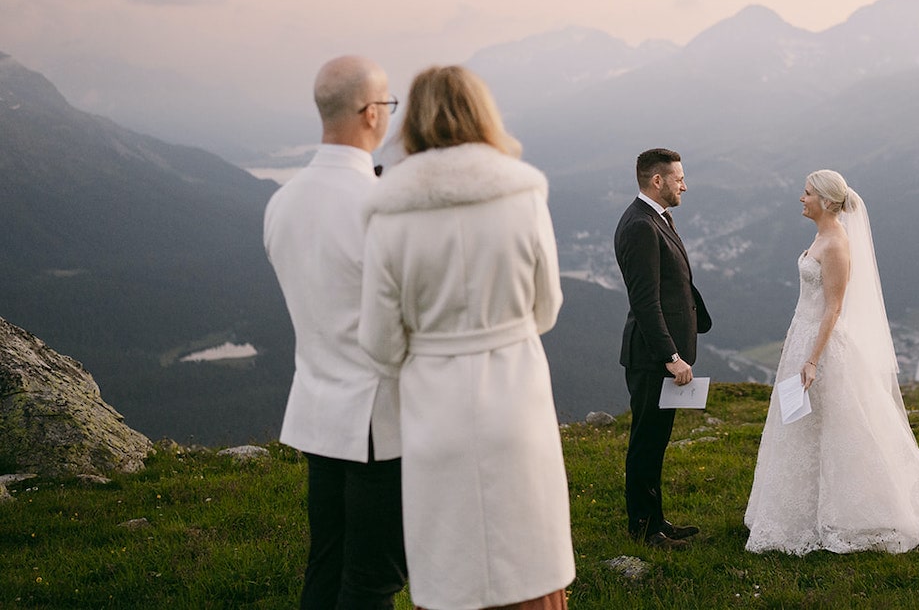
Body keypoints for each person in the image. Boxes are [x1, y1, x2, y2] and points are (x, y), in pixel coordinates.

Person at [359, 66, 572, 610]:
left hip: (436, 413)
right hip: (515, 401)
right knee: (531, 572)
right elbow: (546, 308)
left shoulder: (388, 213)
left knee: (451, 574)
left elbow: (381, 344)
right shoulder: (522, 195)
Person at [744, 169, 919, 554]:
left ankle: (853, 510)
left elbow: (833, 308)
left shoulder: (836, 245)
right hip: (802, 339)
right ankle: (796, 511)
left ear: (828, 202)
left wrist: (813, 359)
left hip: (822, 346)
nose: (802, 198)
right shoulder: (820, 237)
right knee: (801, 427)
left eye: (808, 193)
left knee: (833, 427)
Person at [263, 55, 407, 610]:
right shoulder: (378, 204)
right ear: (371, 113)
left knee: (326, 565)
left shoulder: (282, 202)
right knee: (374, 578)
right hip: (380, 415)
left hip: (319, 411)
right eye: (388, 105)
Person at [616, 148, 713, 549]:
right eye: (679, 178)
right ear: (657, 181)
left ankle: (656, 520)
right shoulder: (640, 225)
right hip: (652, 358)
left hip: (660, 356)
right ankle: (643, 529)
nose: (684, 185)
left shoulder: (655, 218)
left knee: (656, 441)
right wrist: (671, 357)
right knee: (646, 441)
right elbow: (645, 301)